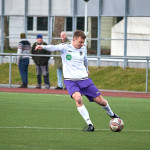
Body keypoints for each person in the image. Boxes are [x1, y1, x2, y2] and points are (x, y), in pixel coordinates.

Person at [35, 30, 120, 132]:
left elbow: (85, 60)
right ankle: (90, 124)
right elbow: (54, 47)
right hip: (70, 81)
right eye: (80, 42)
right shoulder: (65, 47)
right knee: (78, 99)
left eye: (83, 42)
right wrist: (42, 46)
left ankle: (111, 114)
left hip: (84, 79)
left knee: (101, 101)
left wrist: (86, 68)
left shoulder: (83, 49)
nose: (82, 44)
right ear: (74, 40)